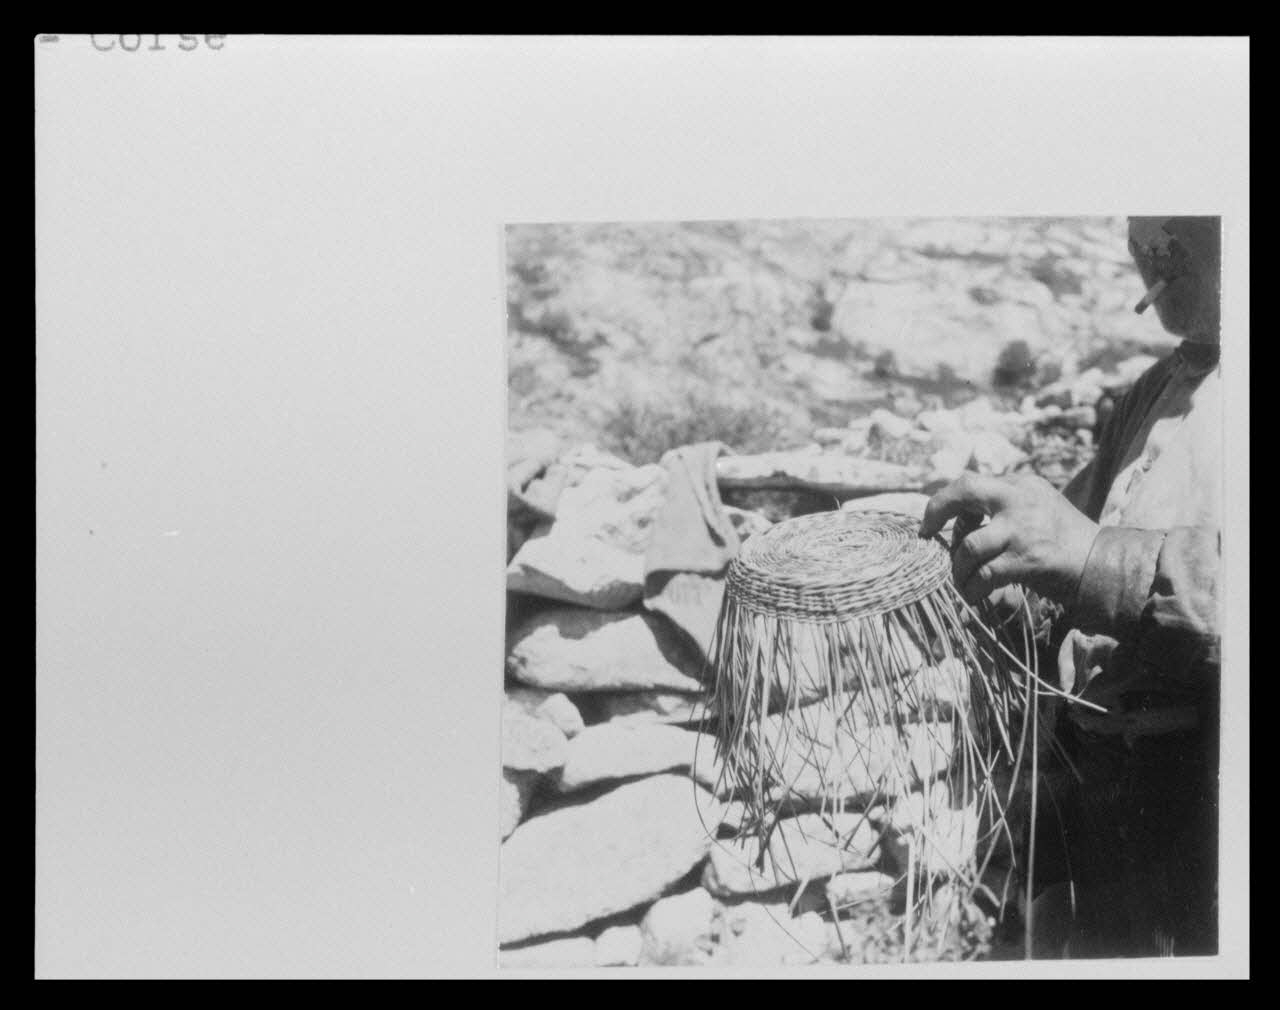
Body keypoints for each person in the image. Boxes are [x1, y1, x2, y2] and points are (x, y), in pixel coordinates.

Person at [919, 216, 1223, 958]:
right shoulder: (1156, 390)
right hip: (1105, 785)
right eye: (1138, 228)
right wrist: (1010, 588)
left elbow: (1096, 555)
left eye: (1177, 221)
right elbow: (1068, 562)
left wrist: (1089, 557)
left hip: (1210, 805)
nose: (1150, 249)